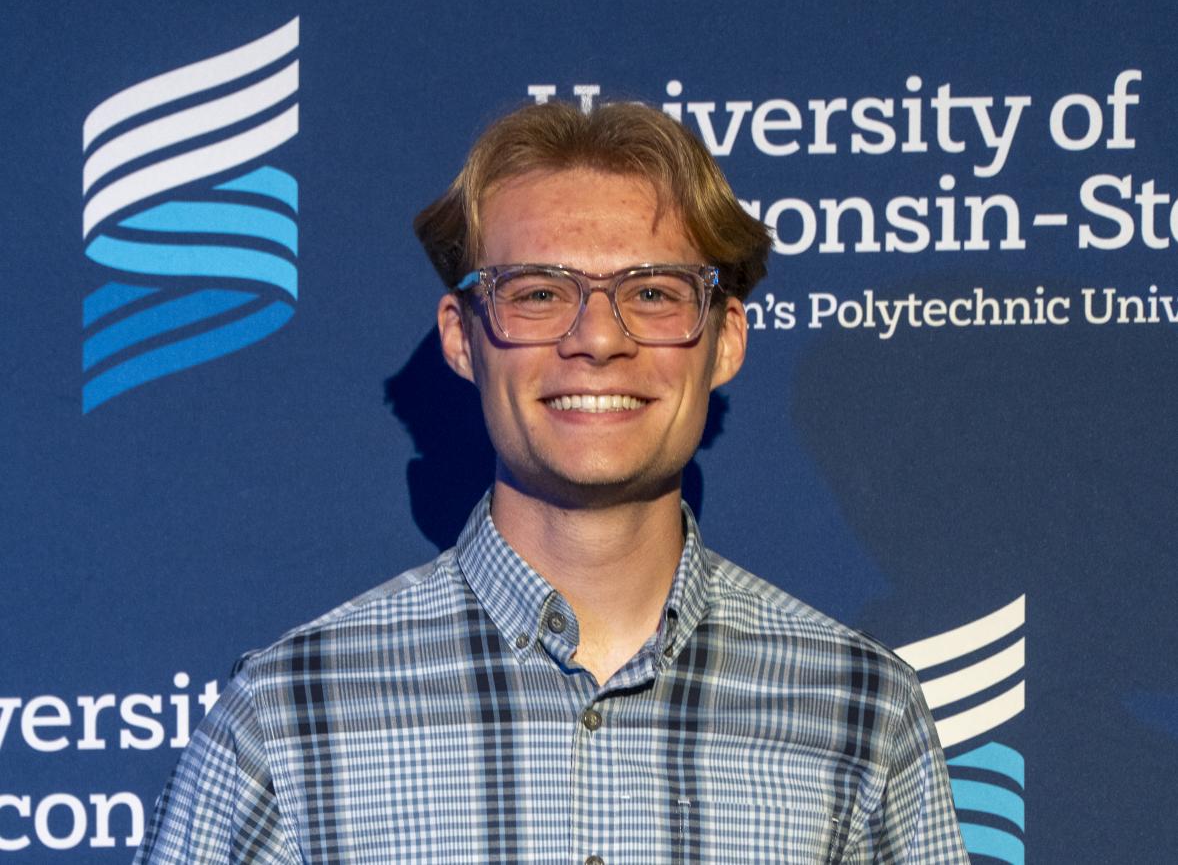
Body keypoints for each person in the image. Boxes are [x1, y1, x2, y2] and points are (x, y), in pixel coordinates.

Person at [134, 102, 969, 863]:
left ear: (725, 341)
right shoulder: (291, 720)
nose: (598, 339)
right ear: (463, 339)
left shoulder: (858, 710)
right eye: (538, 293)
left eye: (652, 292)